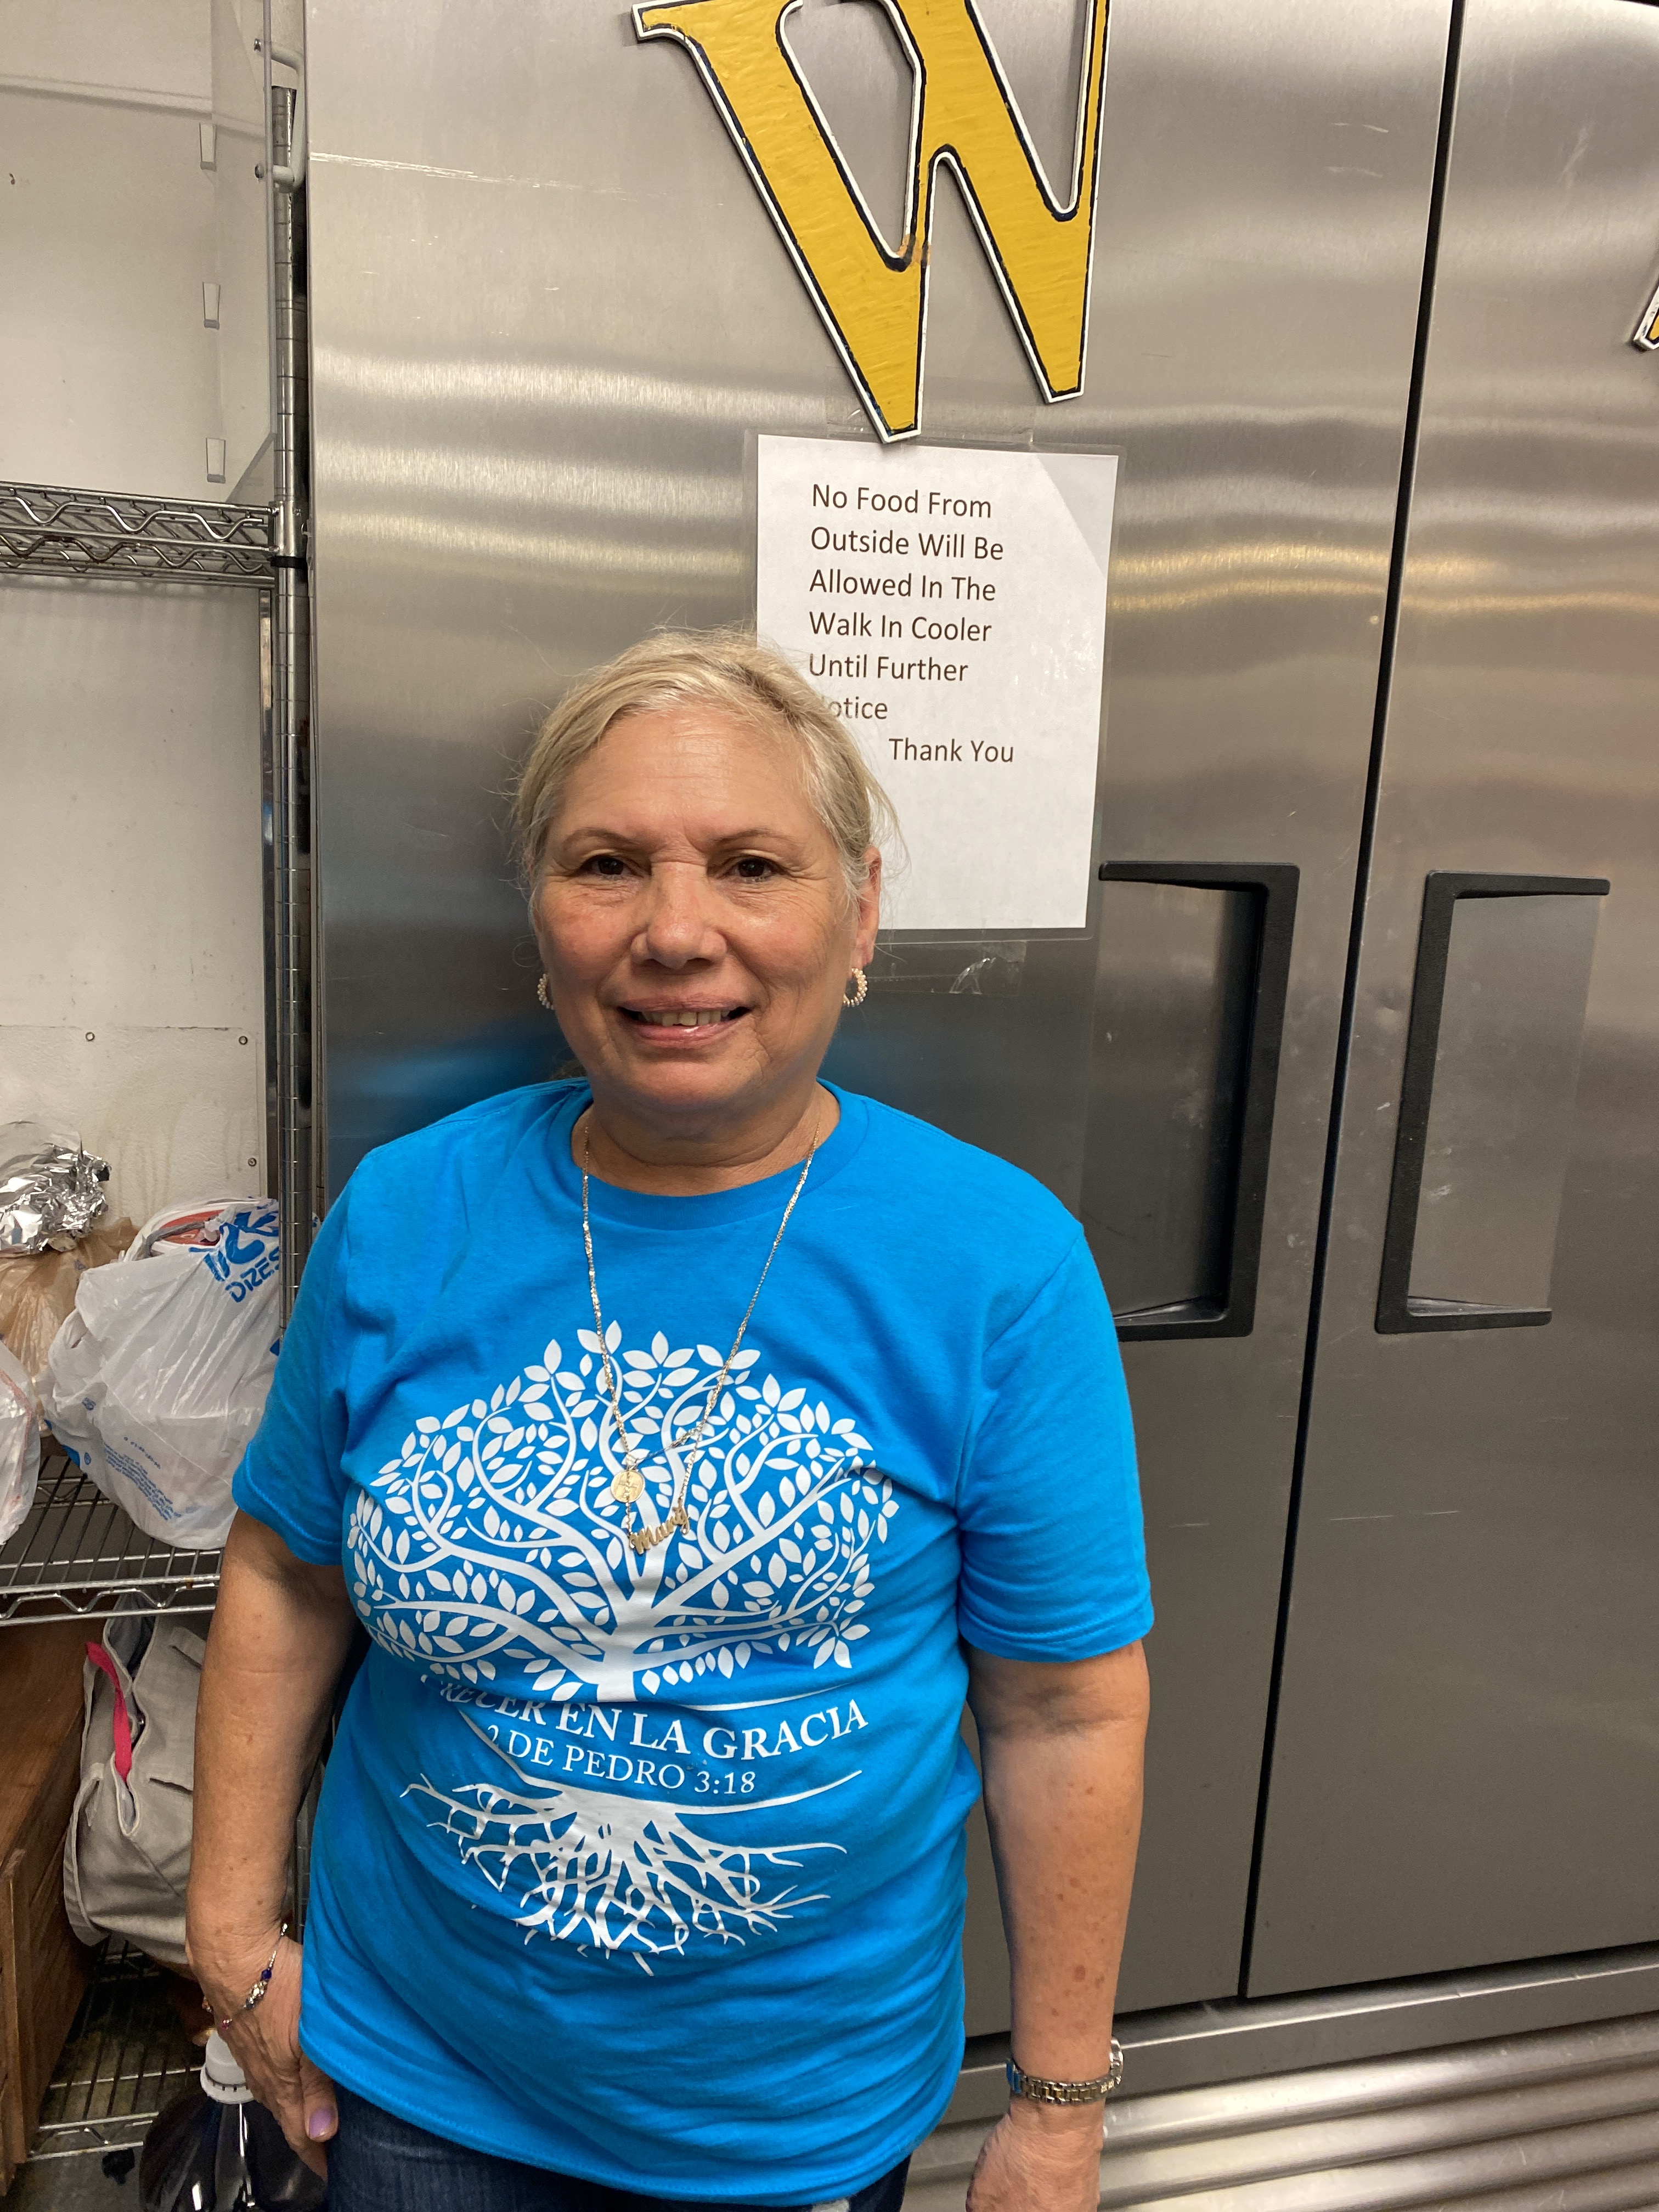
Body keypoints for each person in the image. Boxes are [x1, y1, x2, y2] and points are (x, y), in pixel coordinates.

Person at [187, 630, 1152, 2212]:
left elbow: (1064, 1712)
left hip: (785, 2121)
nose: (677, 932)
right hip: (418, 2076)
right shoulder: (407, 1212)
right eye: (608, 865)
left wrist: (1057, 2106)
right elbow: (290, 1575)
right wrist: (229, 1930)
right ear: (542, 919)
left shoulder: (995, 1263)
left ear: (860, 913)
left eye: (752, 865)